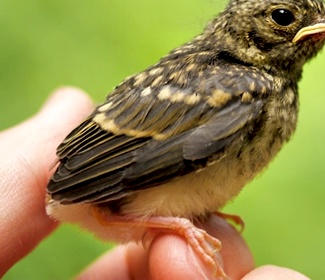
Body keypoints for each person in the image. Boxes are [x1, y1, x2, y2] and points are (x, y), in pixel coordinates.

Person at [0, 87, 308, 280]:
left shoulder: (265, 96)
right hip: (100, 183)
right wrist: (178, 225)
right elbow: (74, 183)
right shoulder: (241, 91)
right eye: (282, 19)